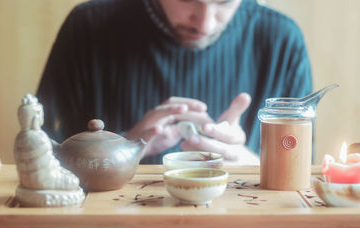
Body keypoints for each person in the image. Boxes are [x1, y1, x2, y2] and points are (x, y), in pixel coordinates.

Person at [36, 0, 312, 164]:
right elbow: (39, 155)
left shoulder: (281, 40)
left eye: (225, 2)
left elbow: (302, 173)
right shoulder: (88, 27)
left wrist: (251, 166)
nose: (204, 24)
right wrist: (124, 148)